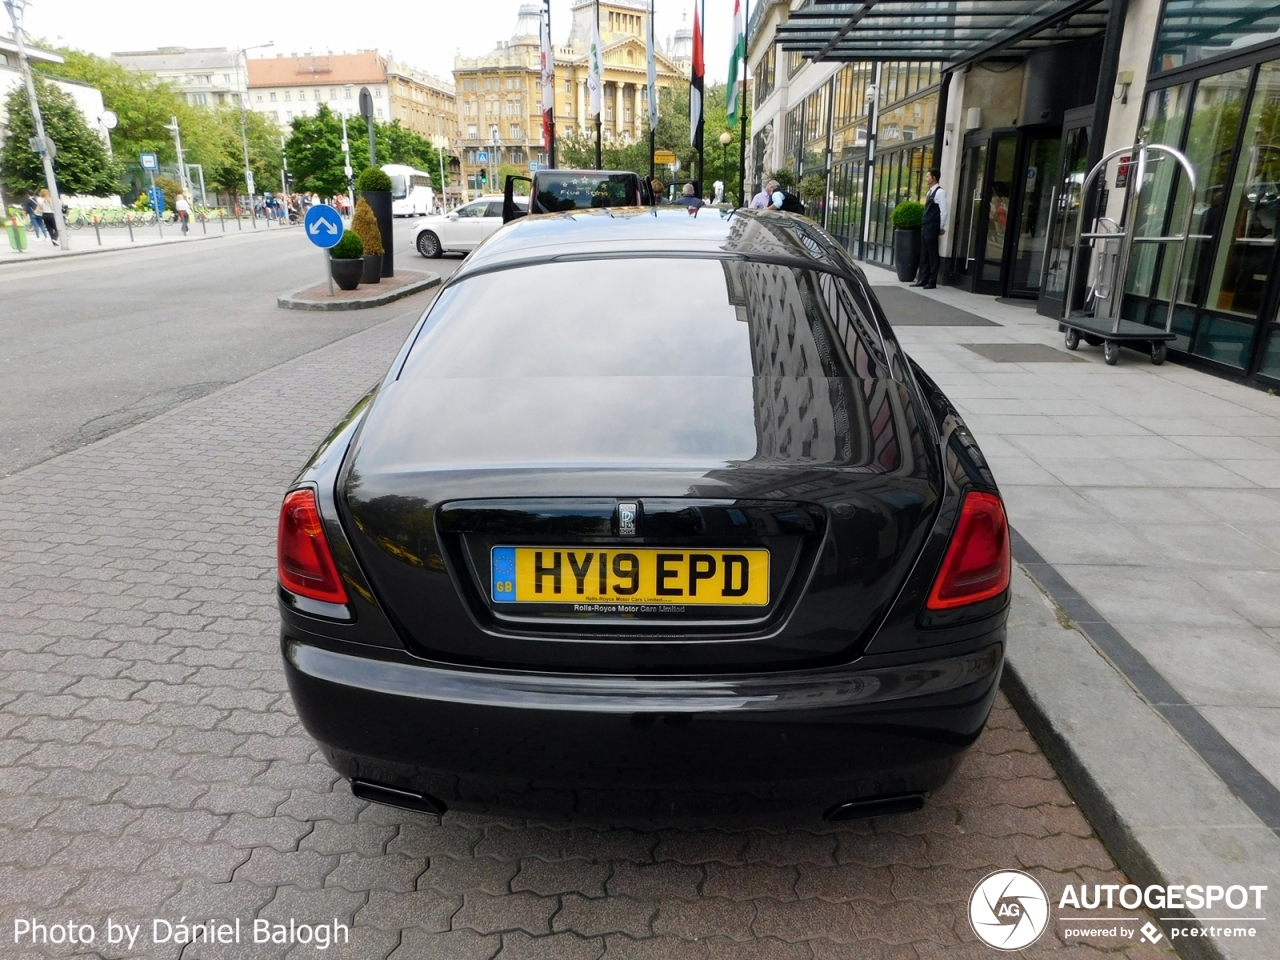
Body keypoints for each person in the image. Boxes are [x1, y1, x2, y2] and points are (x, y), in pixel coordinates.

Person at [914, 167, 948, 290]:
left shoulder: (940, 192)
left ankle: (932, 281)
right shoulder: (930, 192)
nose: (926, 178)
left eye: (928, 176)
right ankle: (923, 279)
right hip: (926, 225)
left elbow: (944, 211)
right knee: (925, 254)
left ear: (934, 178)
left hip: (932, 226)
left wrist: (941, 227)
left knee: (932, 254)